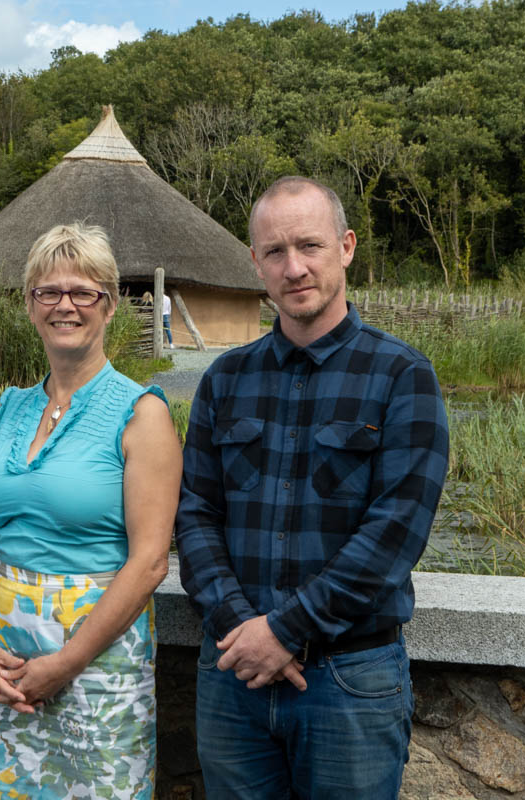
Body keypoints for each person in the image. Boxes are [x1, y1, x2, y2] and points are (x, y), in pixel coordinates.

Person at [175, 176, 450, 798]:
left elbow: (395, 533)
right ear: (255, 263)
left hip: (350, 682)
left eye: (310, 246)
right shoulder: (223, 381)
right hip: (233, 677)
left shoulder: (402, 376)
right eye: (274, 252)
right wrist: (242, 628)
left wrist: (284, 631)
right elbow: (195, 516)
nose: (293, 267)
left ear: (346, 247)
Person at [0, 223, 181, 799]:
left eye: (83, 293)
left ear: (108, 307)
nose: (65, 306)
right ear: (30, 306)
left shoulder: (141, 413)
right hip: (2, 667)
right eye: (48, 292)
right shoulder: (7, 409)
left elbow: (151, 561)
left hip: (95, 662)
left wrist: (66, 662)